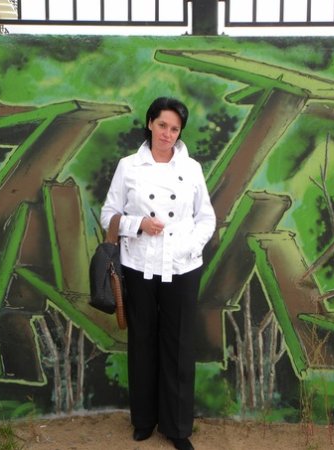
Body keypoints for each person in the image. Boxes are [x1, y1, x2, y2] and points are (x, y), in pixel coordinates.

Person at [100, 97, 216, 450]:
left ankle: (177, 428)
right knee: (142, 343)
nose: (167, 133)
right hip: (140, 265)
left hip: (182, 266)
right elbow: (108, 215)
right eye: (162, 125)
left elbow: (206, 217)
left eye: (175, 128)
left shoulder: (191, 168)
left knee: (178, 345)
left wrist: (190, 247)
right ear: (150, 123)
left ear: (180, 133)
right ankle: (143, 420)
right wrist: (138, 224)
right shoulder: (128, 166)